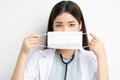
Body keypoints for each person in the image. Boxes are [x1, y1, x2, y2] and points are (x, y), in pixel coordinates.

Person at [11, 1, 109, 80]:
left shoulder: (90, 59)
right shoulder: (39, 58)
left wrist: (102, 57)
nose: (65, 31)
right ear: (52, 27)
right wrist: (23, 54)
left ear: (80, 26)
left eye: (71, 25)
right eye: (59, 25)